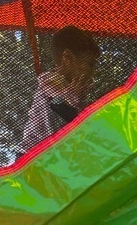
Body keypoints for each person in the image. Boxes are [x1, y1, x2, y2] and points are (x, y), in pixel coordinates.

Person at [18, 26, 99, 155]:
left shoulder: (76, 89)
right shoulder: (49, 79)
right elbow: (59, 100)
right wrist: (74, 95)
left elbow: (77, 117)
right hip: (30, 154)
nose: (92, 70)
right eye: (90, 63)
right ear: (68, 58)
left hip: (52, 154)